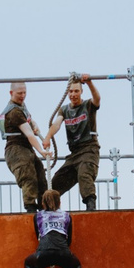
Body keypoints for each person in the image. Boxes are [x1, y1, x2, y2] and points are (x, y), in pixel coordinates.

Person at [47, 74, 104, 210]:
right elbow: (57, 124)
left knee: (84, 174)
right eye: (71, 91)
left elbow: (97, 98)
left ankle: (91, 207)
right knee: (55, 183)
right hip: (74, 152)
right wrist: (48, 136)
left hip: (89, 148)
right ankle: (49, 210)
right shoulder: (65, 110)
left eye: (76, 91)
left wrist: (89, 82)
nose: (73, 94)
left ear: (81, 91)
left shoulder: (88, 105)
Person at [22, 188, 85, 268]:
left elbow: (38, 236)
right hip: (63, 252)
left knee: (28, 263)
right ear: (59, 203)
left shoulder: (38, 216)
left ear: (43, 203)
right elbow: (69, 240)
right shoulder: (66, 216)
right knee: (76, 265)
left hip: (44, 253)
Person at [1, 82, 50, 212]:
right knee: (28, 176)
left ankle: (45, 207)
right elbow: (28, 133)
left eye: (24, 93)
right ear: (11, 93)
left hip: (26, 148)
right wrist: (41, 150)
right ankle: (30, 208)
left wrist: (35, 124)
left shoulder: (21, 106)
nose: (22, 96)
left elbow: (29, 119)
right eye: (19, 93)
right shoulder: (14, 111)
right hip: (16, 149)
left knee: (40, 175)